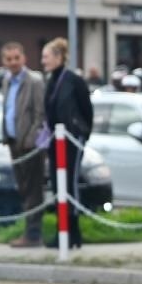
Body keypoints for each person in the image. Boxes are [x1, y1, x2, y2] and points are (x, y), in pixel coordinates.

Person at [40, 37, 93, 250]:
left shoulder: (73, 80)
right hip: (55, 140)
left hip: (71, 138)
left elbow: (86, 109)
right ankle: (64, 232)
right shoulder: (50, 80)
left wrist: (82, 132)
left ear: (59, 57)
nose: (43, 61)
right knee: (57, 183)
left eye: (47, 56)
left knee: (70, 183)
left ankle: (73, 230)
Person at [0, 41, 47, 247]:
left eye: (16, 58)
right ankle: (28, 231)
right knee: (24, 189)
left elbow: (40, 114)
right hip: (13, 142)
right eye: (9, 59)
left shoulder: (34, 81)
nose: (13, 63)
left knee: (33, 189)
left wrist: (30, 140)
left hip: (30, 145)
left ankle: (33, 234)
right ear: (4, 61)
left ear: (24, 58)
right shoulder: (7, 81)